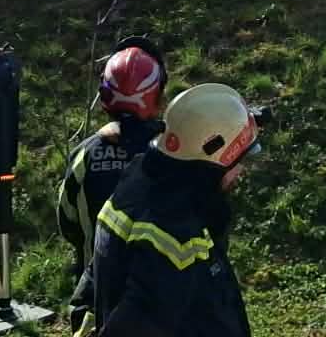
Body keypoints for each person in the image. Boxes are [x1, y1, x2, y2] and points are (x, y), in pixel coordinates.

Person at [88, 82, 260, 337]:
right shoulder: (174, 230)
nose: (241, 170)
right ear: (214, 159)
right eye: (239, 160)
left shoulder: (143, 179)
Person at [58, 38, 169, 331]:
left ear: (105, 96)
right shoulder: (174, 155)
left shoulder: (84, 155)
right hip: (161, 302)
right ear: (157, 96)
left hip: (95, 299)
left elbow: (67, 220)